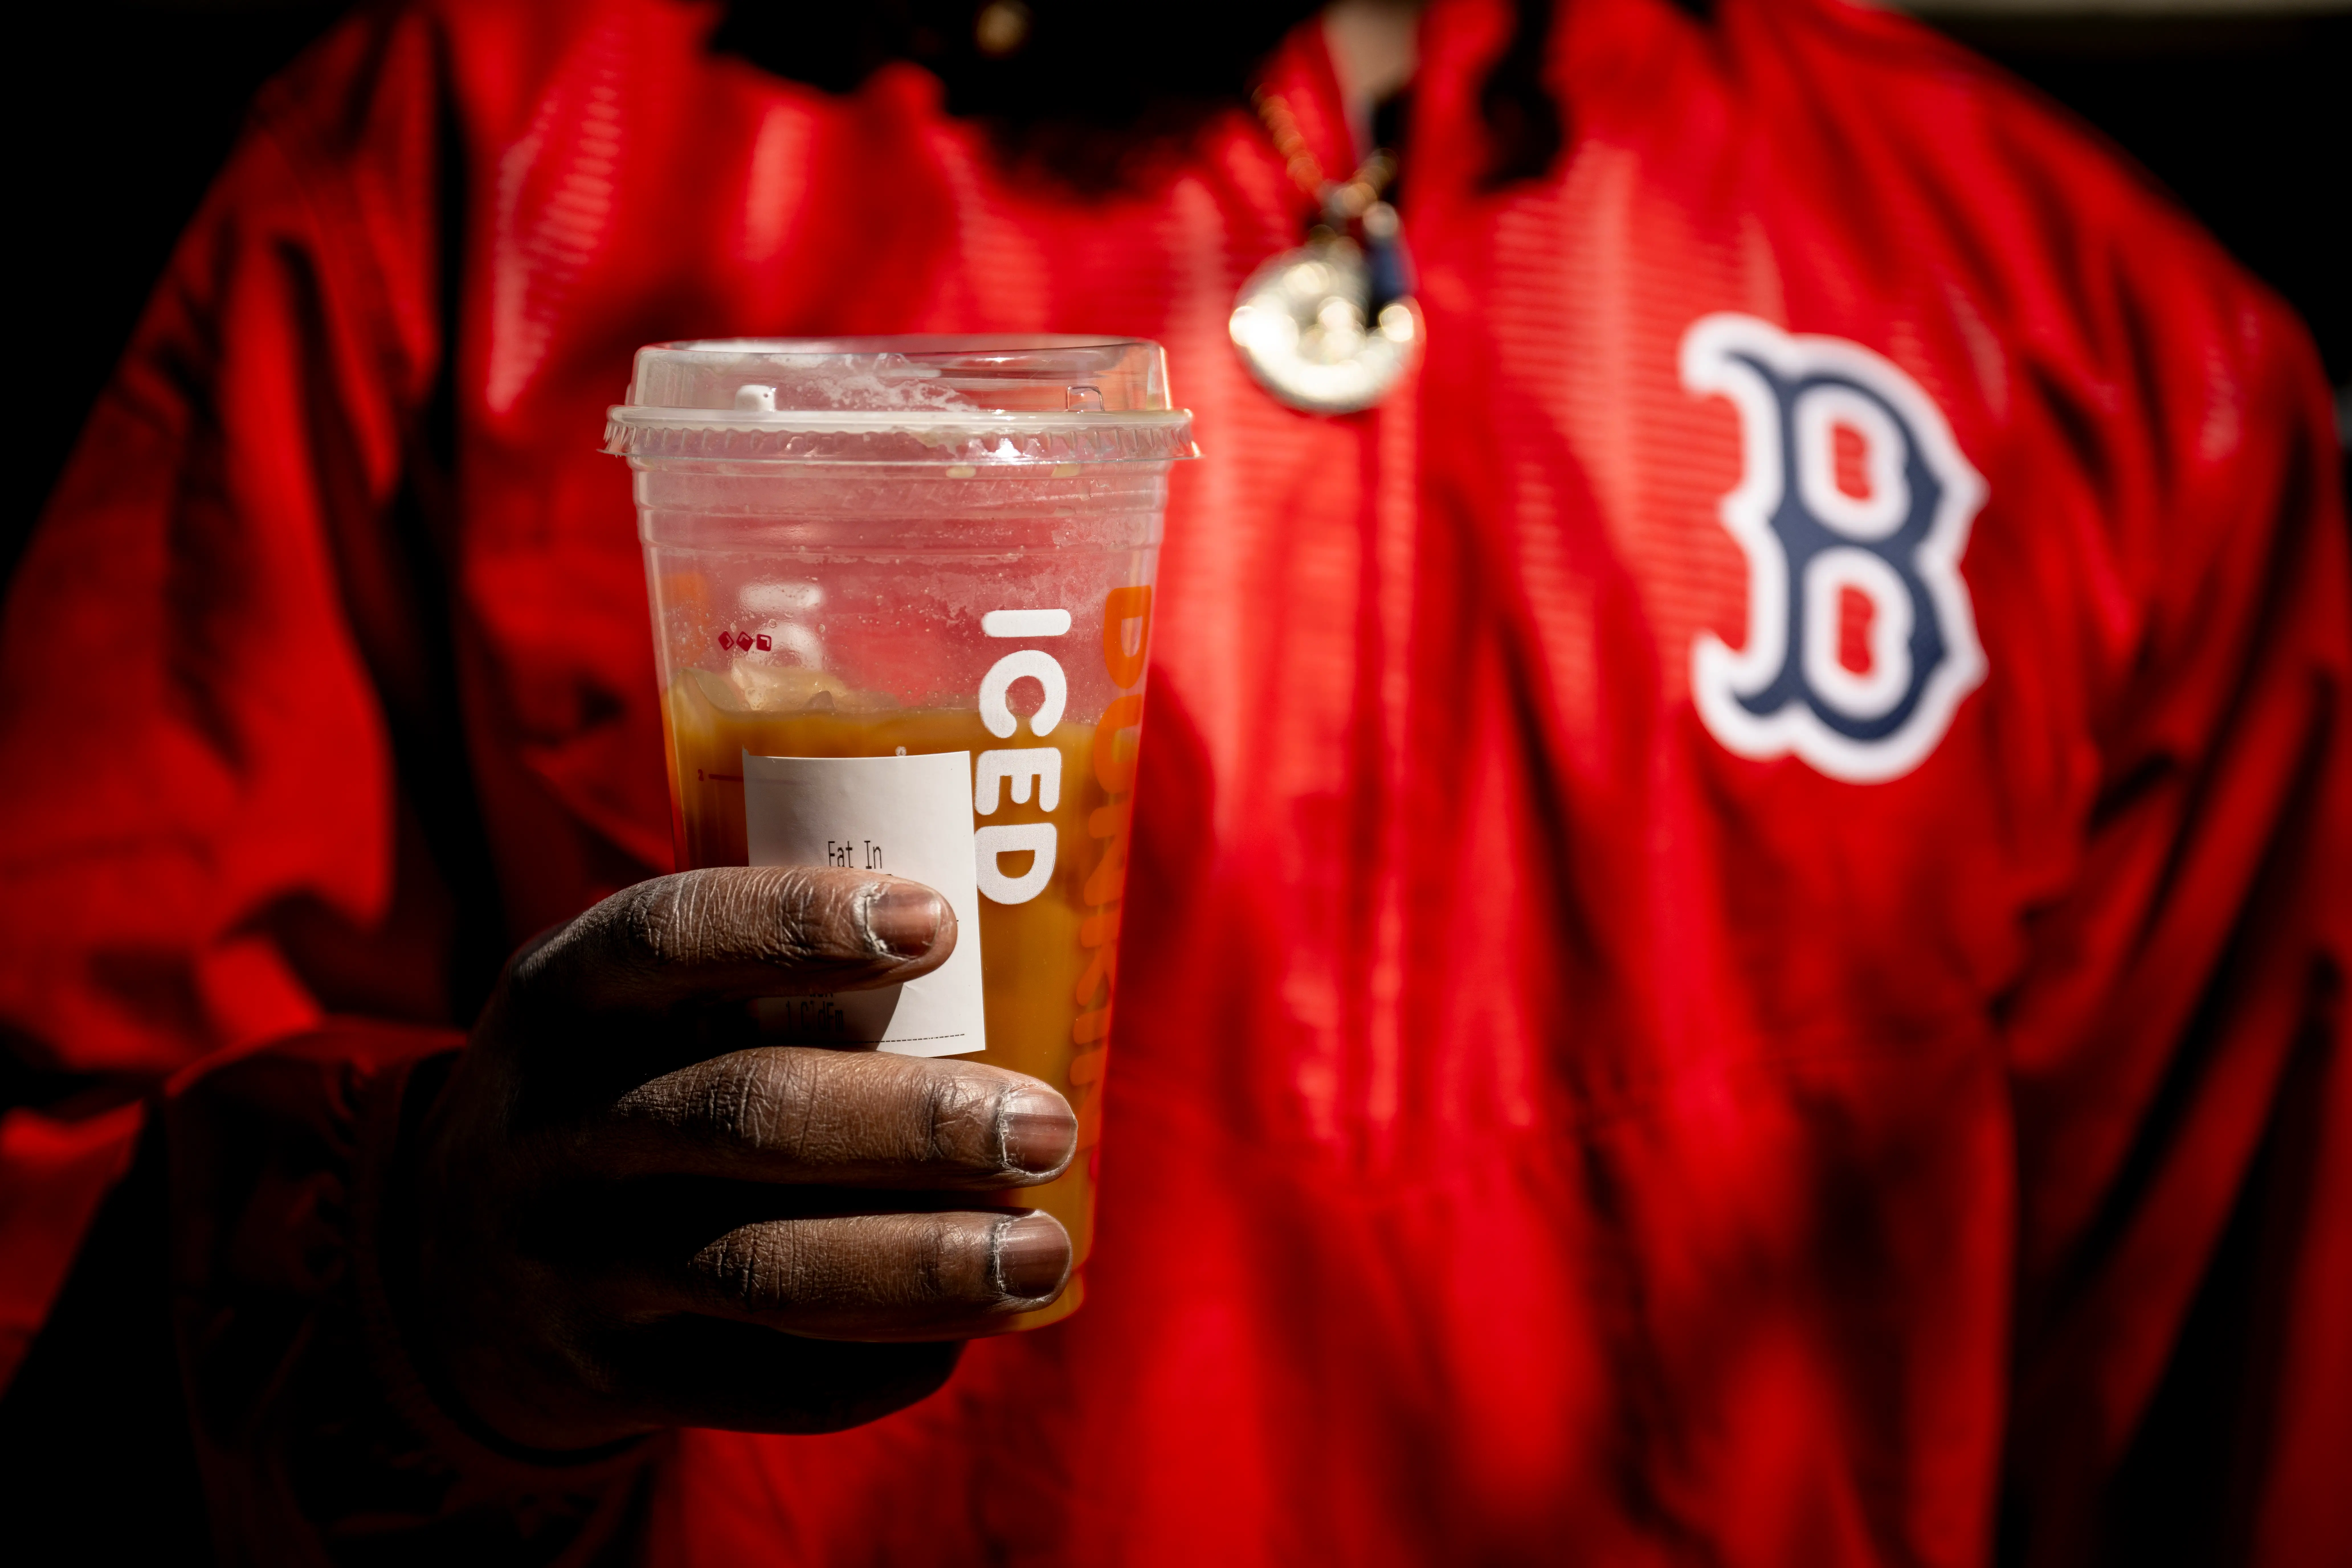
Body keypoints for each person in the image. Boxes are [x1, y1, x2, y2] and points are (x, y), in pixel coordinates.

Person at [1, 0, 2345, 1562]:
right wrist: (419, 1293)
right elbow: (56, 1230)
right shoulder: (484, 161)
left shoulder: (2086, 348)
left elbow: (2258, 1433)